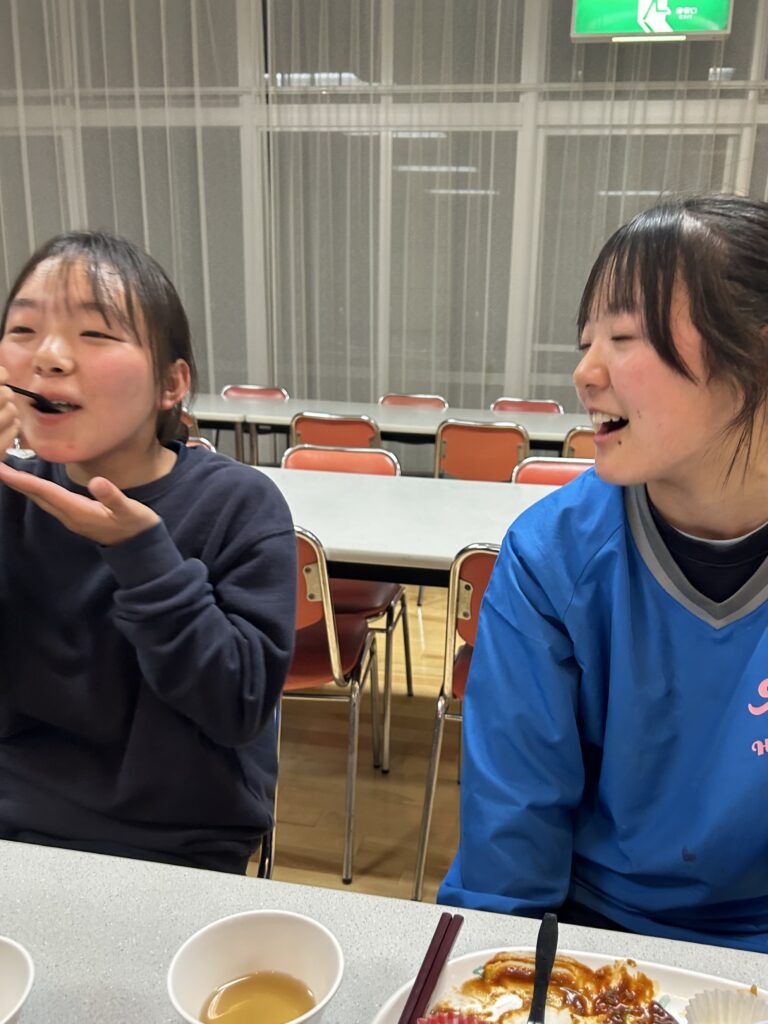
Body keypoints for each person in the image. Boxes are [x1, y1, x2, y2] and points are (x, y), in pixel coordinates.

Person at [438, 194, 768, 953]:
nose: (585, 373)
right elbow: (508, 856)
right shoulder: (552, 558)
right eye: (587, 340)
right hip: (593, 932)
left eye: (623, 336)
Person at [0, 230, 296, 874]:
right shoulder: (10, 494)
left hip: (175, 847)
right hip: (15, 830)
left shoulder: (238, 505)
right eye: (23, 330)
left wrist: (140, 554)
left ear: (170, 384)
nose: (48, 357)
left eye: (95, 334)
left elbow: (238, 707)